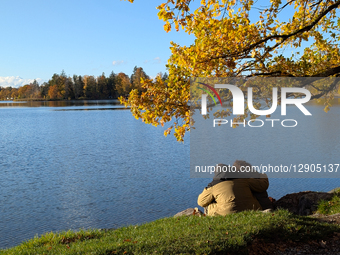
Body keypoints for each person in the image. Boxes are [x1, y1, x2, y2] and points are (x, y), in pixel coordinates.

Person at [197, 160, 270, 216]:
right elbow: (263, 185)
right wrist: (262, 175)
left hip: (225, 213)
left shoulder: (214, 186)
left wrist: (207, 188)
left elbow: (201, 202)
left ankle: (211, 217)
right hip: (251, 209)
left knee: (208, 203)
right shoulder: (244, 180)